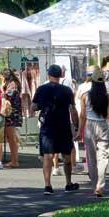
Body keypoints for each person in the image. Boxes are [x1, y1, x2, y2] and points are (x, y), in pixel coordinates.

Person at [33, 65, 79, 194]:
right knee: (66, 155)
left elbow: (33, 106)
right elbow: (73, 110)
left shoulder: (41, 89)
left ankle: (48, 185)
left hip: (48, 125)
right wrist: (76, 126)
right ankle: (68, 183)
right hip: (63, 124)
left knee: (48, 155)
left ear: (49, 75)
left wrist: (40, 108)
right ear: (61, 75)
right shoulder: (67, 90)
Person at [80, 69, 109, 198]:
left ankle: (95, 184)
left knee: (91, 156)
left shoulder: (85, 96)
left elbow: (82, 115)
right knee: (103, 156)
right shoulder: (107, 97)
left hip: (89, 125)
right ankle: (100, 184)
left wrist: (79, 131)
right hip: (103, 125)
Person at [0, 72, 24, 168]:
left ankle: (14, 160)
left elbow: (6, 96)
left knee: (11, 138)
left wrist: (2, 87)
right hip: (13, 113)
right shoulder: (14, 84)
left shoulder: (12, 85)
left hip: (11, 114)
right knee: (11, 138)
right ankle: (14, 159)